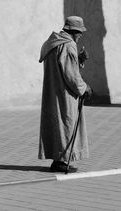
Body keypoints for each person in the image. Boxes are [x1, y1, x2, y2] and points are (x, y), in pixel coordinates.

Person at [38, 16, 92, 173]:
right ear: (73, 31)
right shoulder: (68, 46)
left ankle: (58, 159)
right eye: (80, 33)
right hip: (64, 95)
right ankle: (62, 161)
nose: (80, 36)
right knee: (66, 124)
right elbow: (72, 76)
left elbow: (65, 67)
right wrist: (85, 88)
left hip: (52, 92)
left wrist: (79, 59)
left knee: (57, 125)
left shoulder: (52, 43)